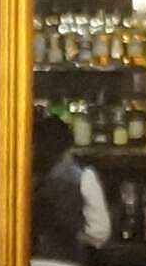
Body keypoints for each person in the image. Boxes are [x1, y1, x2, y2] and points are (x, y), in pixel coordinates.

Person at [30, 106, 111, 254]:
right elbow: (99, 233)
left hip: (29, 264)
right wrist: (75, 237)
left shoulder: (24, 178)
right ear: (68, 145)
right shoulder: (84, 176)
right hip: (68, 264)